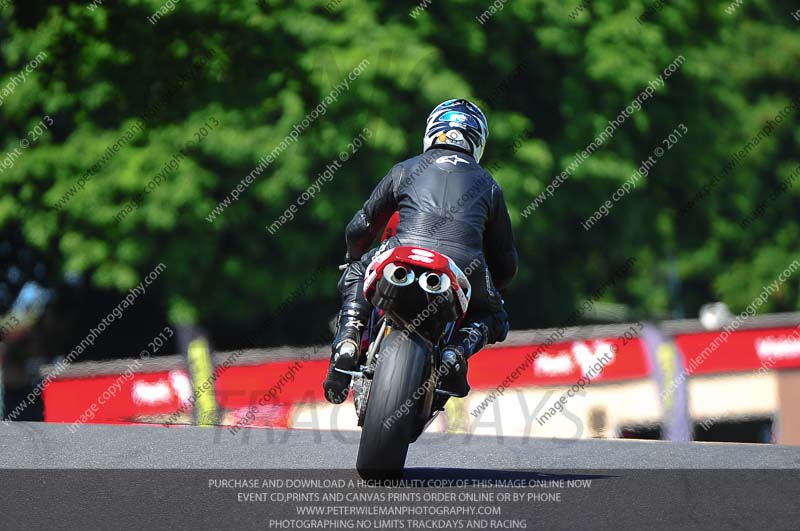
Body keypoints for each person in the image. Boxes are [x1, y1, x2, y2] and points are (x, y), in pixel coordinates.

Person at [322, 99, 517, 404]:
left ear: (432, 131)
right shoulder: (489, 185)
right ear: (477, 141)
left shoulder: (405, 168)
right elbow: (506, 261)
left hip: (402, 250)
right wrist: (495, 288)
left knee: (358, 269)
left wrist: (352, 256)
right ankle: (457, 350)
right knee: (494, 315)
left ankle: (347, 338)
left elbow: (361, 227)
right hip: (464, 265)